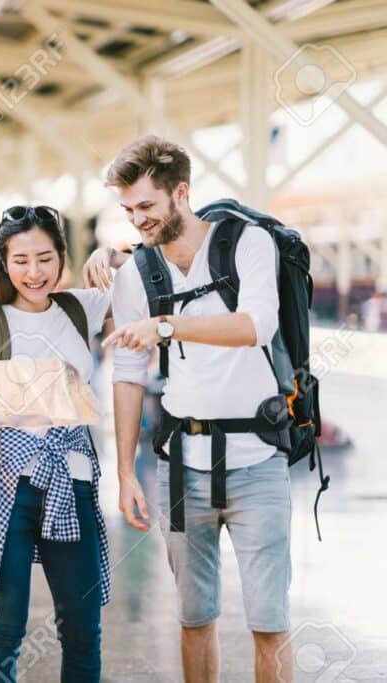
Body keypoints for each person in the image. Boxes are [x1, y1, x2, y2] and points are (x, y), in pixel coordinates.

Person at [96, 135, 294, 683]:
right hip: (182, 468)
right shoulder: (136, 273)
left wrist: (166, 326)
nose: (138, 220)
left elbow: (257, 326)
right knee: (194, 616)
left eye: (147, 207)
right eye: (129, 209)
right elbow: (129, 374)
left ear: (180, 193)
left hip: (259, 463)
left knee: (270, 622)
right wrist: (124, 473)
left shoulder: (248, 244)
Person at [0, 205, 112, 683]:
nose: (34, 272)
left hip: (72, 483)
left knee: (82, 625)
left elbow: (141, 274)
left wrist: (109, 252)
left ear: (61, 257)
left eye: (44, 258)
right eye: (21, 260)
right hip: (7, 487)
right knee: (5, 625)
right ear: (2, 262)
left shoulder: (82, 308)